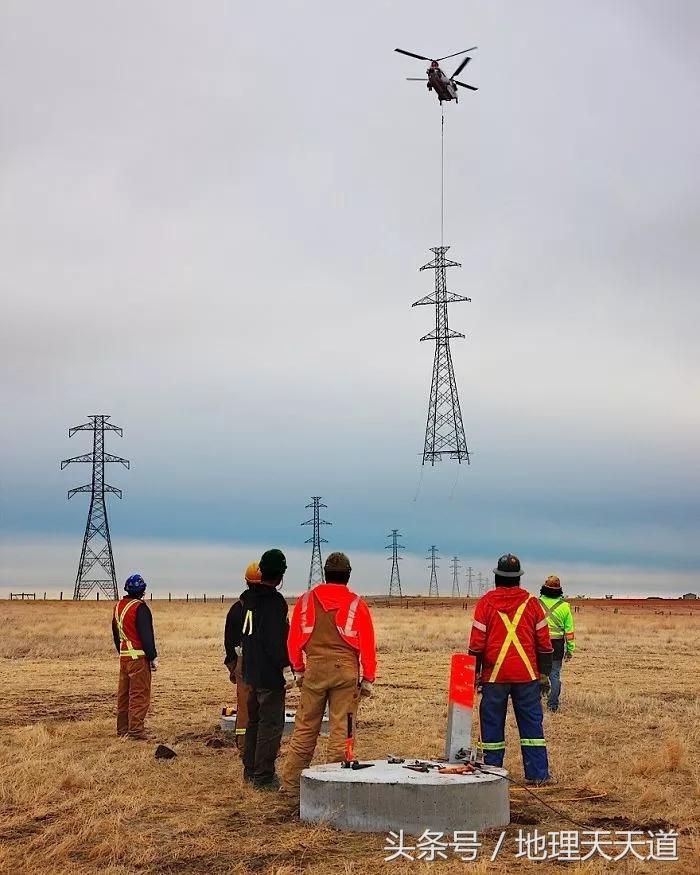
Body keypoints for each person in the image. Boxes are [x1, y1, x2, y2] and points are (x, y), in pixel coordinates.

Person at [281, 552, 377, 795]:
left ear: (326, 573)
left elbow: (293, 642)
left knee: (304, 729)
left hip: (314, 670)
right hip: (345, 672)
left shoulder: (305, 601)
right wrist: (368, 678)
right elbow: (367, 643)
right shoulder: (356, 603)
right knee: (342, 731)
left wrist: (299, 670)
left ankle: (292, 786)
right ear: (348, 575)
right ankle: (335, 788)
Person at [468, 554, 554, 784]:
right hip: (526, 676)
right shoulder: (532, 603)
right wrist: (544, 674)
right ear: (518, 579)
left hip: (494, 676)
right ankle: (537, 775)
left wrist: (474, 674)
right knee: (531, 726)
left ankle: (491, 772)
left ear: (497, 577)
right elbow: (544, 643)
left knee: (492, 725)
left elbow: (476, 643)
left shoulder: (485, 603)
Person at [237, 549, 290, 789]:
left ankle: (250, 769)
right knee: (270, 724)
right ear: (280, 576)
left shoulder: (248, 600)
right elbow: (276, 641)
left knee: (254, 722)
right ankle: (264, 776)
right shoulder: (274, 603)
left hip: (251, 672)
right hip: (269, 675)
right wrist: (286, 667)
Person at [112, 573, 158, 740]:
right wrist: (152, 656)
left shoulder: (118, 606)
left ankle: (122, 729)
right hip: (139, 659)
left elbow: (116, 635)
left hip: (124, 658)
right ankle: (136, 732)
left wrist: (123, 652)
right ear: (143, 590)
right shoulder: (140, 608)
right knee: (139, 694)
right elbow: (146, 635)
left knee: (124, 695)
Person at [224, 561, 262, 755]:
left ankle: (243, 744)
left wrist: (232, 665)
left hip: (243, 663)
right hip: (265, 664)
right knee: (265, 704)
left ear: (246, 581)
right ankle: (260, 746)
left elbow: (229, 640)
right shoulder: (271, 607)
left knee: (245, 703)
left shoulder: (237, 608)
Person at [539, 575, 575, 712]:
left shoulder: (536, 603)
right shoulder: (565, 607)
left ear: (544, 588)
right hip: (557, 645)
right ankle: (553, 705)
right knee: (554, 675)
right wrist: (570, 650)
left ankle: (535, 704)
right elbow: (569, 631)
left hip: (539, 645)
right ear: (559, 590)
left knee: (537, 673)